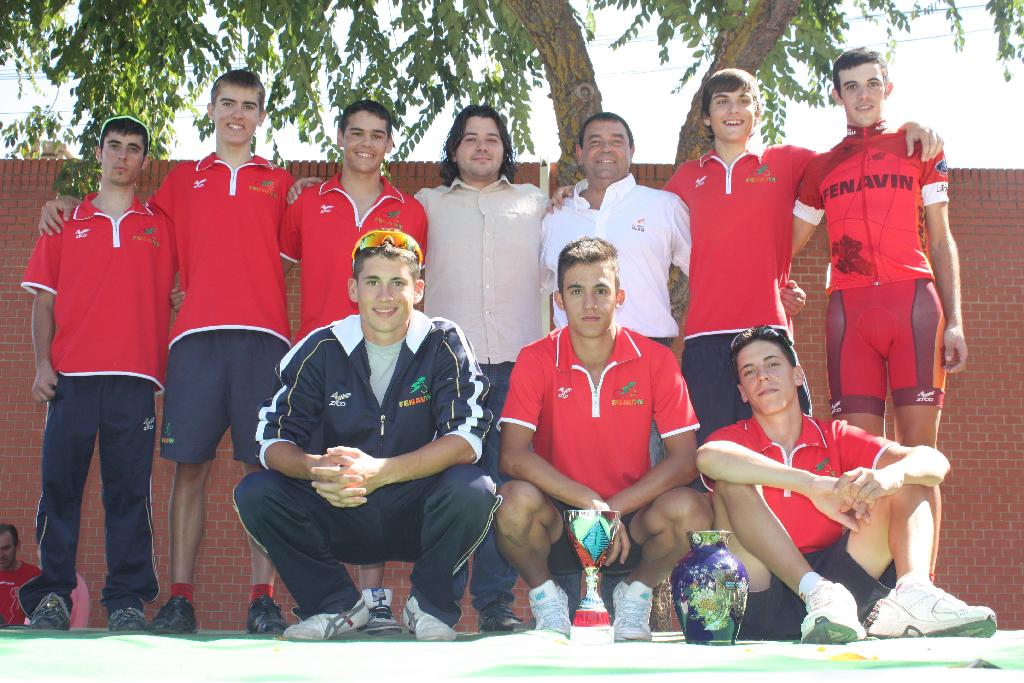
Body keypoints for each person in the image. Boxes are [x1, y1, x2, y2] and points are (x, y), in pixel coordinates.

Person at [38, 69, 295, 634]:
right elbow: (120, 211)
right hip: (194, 342)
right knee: (189, 469)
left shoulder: (281, 184)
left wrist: (305, 189)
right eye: (227, 102)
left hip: (264, 339)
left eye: (248, 105)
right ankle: (179, 599)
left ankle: (263, 599)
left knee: (262, 471)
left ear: (260, 116)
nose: (236, 114)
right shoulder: (180, 182)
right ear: (211, 109)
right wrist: (65, 203)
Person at [234, 231, 498, 642]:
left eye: (397, 283)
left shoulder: (443, 341)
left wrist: (381, 471)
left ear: (418, 290)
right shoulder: (321, 347)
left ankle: (428, 606)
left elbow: (467, 438)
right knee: (256, 492)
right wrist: (318, 469)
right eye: (373, 282)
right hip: (341, 503)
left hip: (415, 508)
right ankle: (334, 604)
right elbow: (271, 440)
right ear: (353, 290)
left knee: (474, 489)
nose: (385, 296)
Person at [665, 68, 944, 446]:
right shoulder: (684, 178)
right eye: (722, 102)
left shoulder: (788, 161)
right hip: (704, 338)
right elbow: (649, 233)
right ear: (705, 117)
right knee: (712, 454)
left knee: (790, 451)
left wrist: (908, 128)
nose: (733, 110)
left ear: (757, 112)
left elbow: (853, 156)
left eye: (743, 101)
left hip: (769, 331)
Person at [696, 326, 995, 643]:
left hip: (839, 599)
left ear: (798, 375)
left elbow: (934, 461)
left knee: (910, 475)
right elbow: (707, 458)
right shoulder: (733, 439)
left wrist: (891, 477)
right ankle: (812, 588)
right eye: (749, 371)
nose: (762, 376)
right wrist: (812, 485)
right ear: (743, 392)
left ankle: (914, 594)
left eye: (772, 364)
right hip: (762, 592)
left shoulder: (835, 435)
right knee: (730, 484)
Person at [495, 237, 712, 641]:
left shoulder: (656, 359)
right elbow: (512, 456)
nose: (589, 304)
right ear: (559, 300)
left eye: (601, 290)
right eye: (576, 291)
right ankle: (547, 600)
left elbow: (685, 460)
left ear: (620, 296)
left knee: (692, 510)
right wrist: (588, 501)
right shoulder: (536, 357)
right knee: (511, 503)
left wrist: (612, 509)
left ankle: (636, 594)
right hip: (560, 515)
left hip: (633, 516)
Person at [19, 116, 174, 631]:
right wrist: (42, 365)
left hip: (135, 380)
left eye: (133, 148)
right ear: (99, 152)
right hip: (72, 380)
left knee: (128, 494)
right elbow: (44, 301)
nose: (122, 156)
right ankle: (53, 596)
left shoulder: (162, 224)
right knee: (59, 488)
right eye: (114, 146)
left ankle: (126, 600)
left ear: (144, 161)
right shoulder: (66, 221)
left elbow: (191, 274)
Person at [414, 104, 548, 632]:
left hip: (519, 366)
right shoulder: (427, 205)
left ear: (504, 148)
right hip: (450, 370)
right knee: (452, 487)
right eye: (471, 138)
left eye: (492, 138)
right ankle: (436, 606)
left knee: (502, 488)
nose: (482, 146)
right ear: (454, 149)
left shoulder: (537, 203)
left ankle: (495, 603)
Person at [792, 48, 964, 448]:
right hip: (849, 314)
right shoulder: (820, 167)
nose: (863, 95)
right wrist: (777, 284)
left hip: (915, 308)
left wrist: (955, 320)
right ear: (837, 95)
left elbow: (941, 240)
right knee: (859, 456)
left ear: (887, 88)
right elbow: (784, 248)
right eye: (851, 87)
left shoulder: (920, 148)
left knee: (919, 457)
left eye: (872, 84)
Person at [281, 99, 428, 341]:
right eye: (357, 133)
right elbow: (272, 275)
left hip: (389, 352)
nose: (366, 143)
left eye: (377, 136)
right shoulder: (306, 203)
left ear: (389, 144)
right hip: (319, 349)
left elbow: (415, 290)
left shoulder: (412, 212)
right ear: (341, 138)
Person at [1, 524, 41, 626]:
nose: (1, 554)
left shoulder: (35, 576)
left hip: (23, 635)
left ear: (17, 545)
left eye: (6, 548)